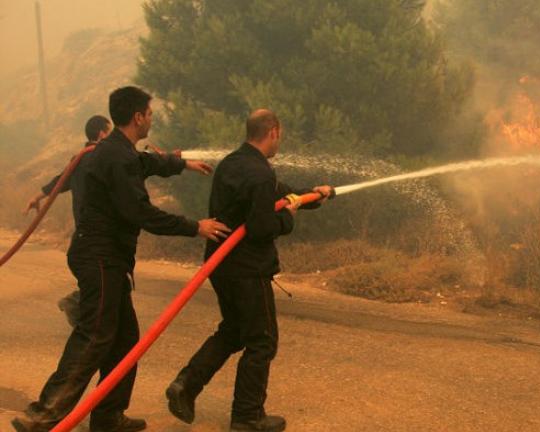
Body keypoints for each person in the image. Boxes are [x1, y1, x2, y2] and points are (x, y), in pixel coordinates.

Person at [11, 86, 231, 432]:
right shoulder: (116, 157)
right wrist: (195, 227)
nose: (152, 120)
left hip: (107, 257)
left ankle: (109, 415)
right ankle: (43, 415)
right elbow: (141, 213)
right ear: (138, 117)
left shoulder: (117, 151)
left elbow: (147, 161)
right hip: (99, 257)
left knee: (126, 340)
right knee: (94, 335)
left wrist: (183, 163)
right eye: (150, 114)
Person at [165, 109, 333, 432]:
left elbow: (281, 192)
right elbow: (260, 227)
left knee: (233, 331)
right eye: (279, 136)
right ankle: (246, 416)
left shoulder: (233, 163)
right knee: (262, 340)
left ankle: (185, 385)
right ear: (272, 132)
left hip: (221, 266)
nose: (279, 142)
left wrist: (315, 195)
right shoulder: (260, 174)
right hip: (247, 271)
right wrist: (289, 219)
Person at [24, 115, 112, 327]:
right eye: (110, 132)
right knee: (106, 281)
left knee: (107, 281)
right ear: (101, 133)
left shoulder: (80, 160)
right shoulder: (99, 159)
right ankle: (77, 306)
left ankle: (84, 311)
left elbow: (60, 181)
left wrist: (38, 196)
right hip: (94, 237)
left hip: (85, 236)